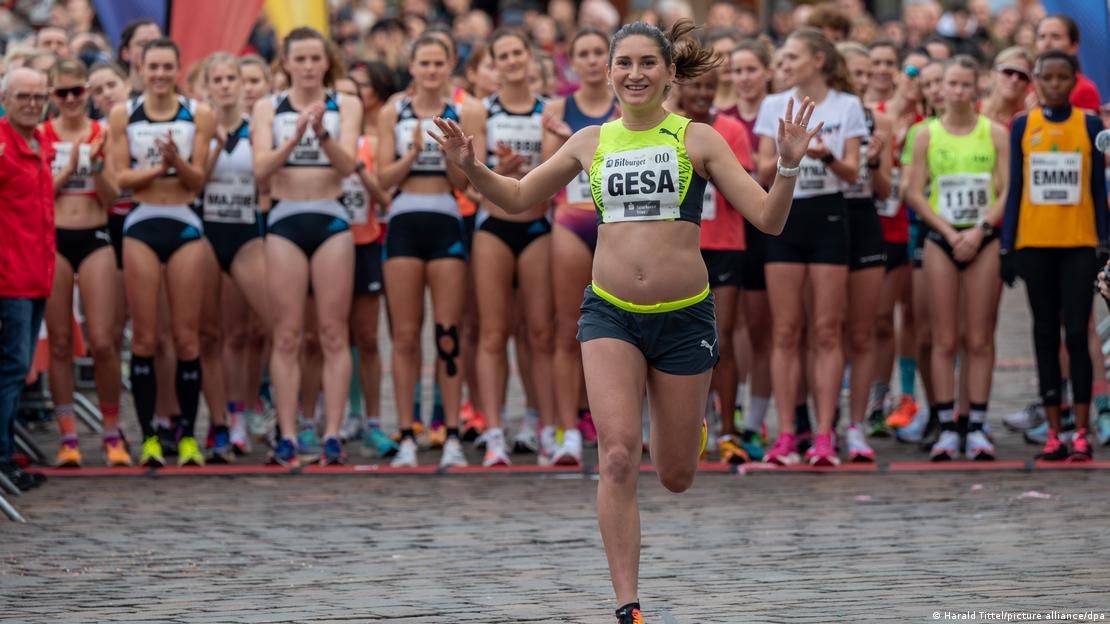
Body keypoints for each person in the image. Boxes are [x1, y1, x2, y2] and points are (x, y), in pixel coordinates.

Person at [431, 20, 819, 623]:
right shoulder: (590, 142)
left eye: (647, 64)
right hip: (609, 312)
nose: (634, 74)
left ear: (668, 73)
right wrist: (471, 168)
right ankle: (627, 605)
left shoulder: (699, 139)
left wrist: (788, 167)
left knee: (677, 476)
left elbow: (768, 220)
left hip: (685, 318)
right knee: (615, 456)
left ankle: (686, 429)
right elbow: (514, 199)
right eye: (624, 64)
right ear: (608, 73)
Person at [252, 27, 365, 468]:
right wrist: (295, 136)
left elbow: (349, 165)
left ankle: (333, 432)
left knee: (333, 332)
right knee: (286, 334)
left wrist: (322, 134)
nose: (308, 66)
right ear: (286, 62)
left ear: (326, 61)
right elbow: (261, 169)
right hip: (285, 217)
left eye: (315, 58)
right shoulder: (268, 106)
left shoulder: (346, 103)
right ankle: (287, 433)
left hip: (331, 216)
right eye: (299, 59)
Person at [754, 27, 867, 466]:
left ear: (818, 60)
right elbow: (763, 170)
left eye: (793, 58)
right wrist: (791, 155)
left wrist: (824, 156)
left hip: (829, 216)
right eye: (782, 60)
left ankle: (824, 435)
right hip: (785, 214)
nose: (785, 66)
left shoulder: (846, 105)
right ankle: (786, 435)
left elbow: (854, 173)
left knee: (826, 330)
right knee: (785, 331)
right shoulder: (771, 105)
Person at [109, 38, 215, 468]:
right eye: (152, 67)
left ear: (177, 69)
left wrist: (179, 163)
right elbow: (120, 178)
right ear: (140, 67)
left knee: (187, 337)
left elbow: (198, 182)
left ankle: (188, 436)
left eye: (167, 67)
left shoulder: (198, 113)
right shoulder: (124, 114)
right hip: (142, 224)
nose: (159, 75)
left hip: (185, 222)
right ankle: (150, 437)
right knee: (147, 337)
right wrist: (160, 167)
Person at [1002, 49, 1107, 462]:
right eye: (1048, 77)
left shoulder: (1091, 124)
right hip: (1035, 244)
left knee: (1077, 335)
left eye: (1064, 78)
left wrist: (1105, 244)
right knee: (1044, 334)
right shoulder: (1023, 125)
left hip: (1079, 244)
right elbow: (1016, 187)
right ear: (1037, 81)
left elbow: (1099, 190)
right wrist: (1008, 246)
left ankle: (1080, 431)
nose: (1056, 85)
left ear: (1074, 80)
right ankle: (1053, 432)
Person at [377, 36, 477, 468]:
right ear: (412, 66)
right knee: (403, 334)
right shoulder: (392, 111)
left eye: (440, 63)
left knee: (447, 332)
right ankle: (406, 434)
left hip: (444, 217)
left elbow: (464, 185)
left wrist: (453, 156)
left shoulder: (464, 111)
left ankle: (451, 432)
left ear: (450, 65)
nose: (432, 70)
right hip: (404, 219)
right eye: (425, 63)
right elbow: (383, 178)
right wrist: (416, 149)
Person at [905, 56, 1009, 461]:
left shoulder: (994, 133)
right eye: (953, 84)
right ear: (942, 88)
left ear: (977, 87)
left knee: (979, 337)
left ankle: (978, 424)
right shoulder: (926, 135)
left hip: (982, 238)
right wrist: (950, 233)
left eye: (967, 85)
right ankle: (947, 425)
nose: (959, 91)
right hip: (942, 238)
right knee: (944, 338)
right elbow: (913, 191)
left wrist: (980, 230)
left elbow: (1007, 188)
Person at [470, 30, 556, 467]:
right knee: (493, 333)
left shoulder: (548, 111)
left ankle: (541, 426)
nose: (511, 61)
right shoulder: (479, 110)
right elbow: (461, 179)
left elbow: (556, 176)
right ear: (495, 64)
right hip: (494, 227)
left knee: (540, 333)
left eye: (517, 53)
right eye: (501, 55)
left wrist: (524, 174)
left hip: (537, 225)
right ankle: (494, 433)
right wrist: (495, 173)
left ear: (529, 56)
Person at [41, 60, 127, 467]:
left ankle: (112, 432)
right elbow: (37, 196)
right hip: (54, 240)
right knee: (59, 343)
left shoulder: (103, 132)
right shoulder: (41, 135)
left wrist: (93, 165)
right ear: (51, 97)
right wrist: (69, 168)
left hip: (94, 236)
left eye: (79, 91)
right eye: (63, 93)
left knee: (105, 342)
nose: (72, 99)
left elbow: (112, 198)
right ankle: (69, 436)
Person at [543, 28, 618, 465]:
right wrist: (560, 133)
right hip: (571, 221)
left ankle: (629, 425)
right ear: (571, 61)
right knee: (568, 329)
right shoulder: (556, 107)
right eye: (583, 54)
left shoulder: (627, 107)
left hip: (617, 226)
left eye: (598, 54)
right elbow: (547, 171)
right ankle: (566, 430)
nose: (591, 61)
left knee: (633, 327)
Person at [675, 66, 755, 464]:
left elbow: (738, 183)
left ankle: (728, 429)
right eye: (696, 87)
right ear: (678, 89)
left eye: (711, 86)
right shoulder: (667, 129)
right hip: (682, 247)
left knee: (719, 337)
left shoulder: (731, 129)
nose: (704, 94)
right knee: (677, 339)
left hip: (724, 243)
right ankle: (687, 424)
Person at [199, 53, 273, 460]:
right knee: (219, 335)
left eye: (234, 78)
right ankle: (224, 421)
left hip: (248, 232)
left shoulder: (256, 128)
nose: (227, 85)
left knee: (259, 329)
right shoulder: (201, 127)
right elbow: (191, 182)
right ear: (208, 85)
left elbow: (267, 182)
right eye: (220, 79)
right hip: (210, 233)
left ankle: (251, 408)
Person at [342, 60, 401, 459]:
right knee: (330, 337)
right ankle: (343, 415)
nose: (352, 96)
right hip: (328, 238)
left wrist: (360, 171)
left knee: (366, 336)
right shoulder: (327, 132)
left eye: (359, 88)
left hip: (366, 240)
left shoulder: (376, 139)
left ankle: (374, 421)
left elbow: (384, 194)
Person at [838, 42, 893, 462]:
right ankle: (813, 424)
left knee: (862, 329)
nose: (859, 80)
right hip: (822, 219)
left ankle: (855, 425)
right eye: (853, 73)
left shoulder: (879, 120)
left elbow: (885, 191)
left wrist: (873, 163)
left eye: (864, 73)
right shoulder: (821, 115)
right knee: (821, 330)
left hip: (864, 221)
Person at [0, 67, 53, 491]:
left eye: (38, 96)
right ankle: (1, 458)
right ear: (6, 99)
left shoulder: (41, 141)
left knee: (17, 370)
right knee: (11, 368)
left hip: (36, 276)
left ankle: (6, 455)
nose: (32, 103)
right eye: (23, 96)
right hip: (9, 277)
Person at [724, 38, 775, 460]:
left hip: (761, 229)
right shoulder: (715, 121)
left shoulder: (778, 115)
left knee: (760, 330)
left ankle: (755, 423)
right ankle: (725, 412)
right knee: (723, 330)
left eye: (750, 69)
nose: (743, 78)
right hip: (719, 234)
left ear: (767, 72)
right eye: (736, 71)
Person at [1033, 15, 1101, 112]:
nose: (1046, 43)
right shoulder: (1023, 82)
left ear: (1074, 46)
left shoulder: (1085, 90)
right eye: (1041, 37)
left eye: (1055, 37)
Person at [980, 47, 1033, 127]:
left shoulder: (1028, 120)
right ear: (993, 74)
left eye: (1022, 76)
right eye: (1008, 72)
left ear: (1028, 83)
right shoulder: (972, 110)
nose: (1014, 79)